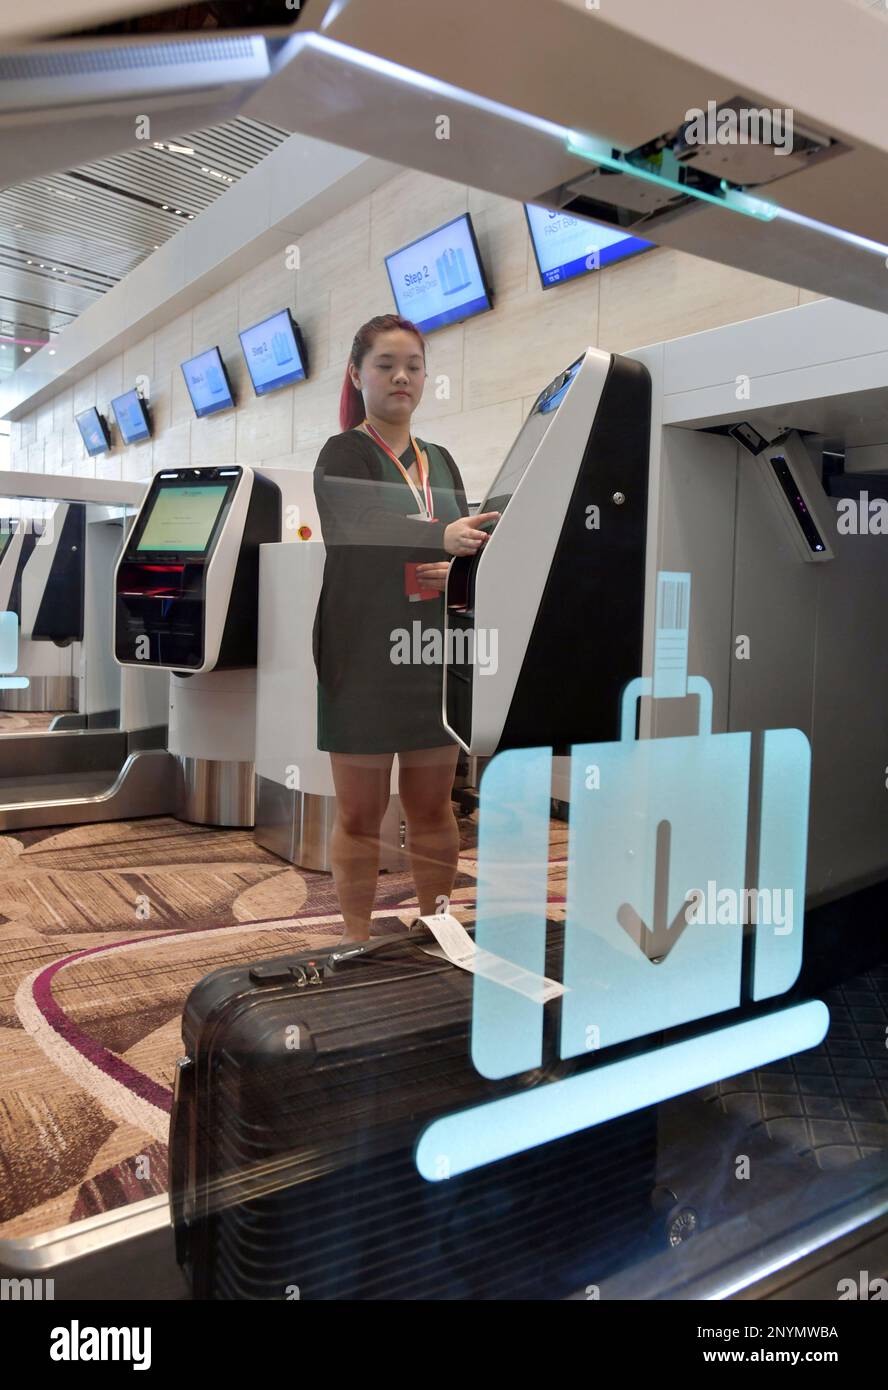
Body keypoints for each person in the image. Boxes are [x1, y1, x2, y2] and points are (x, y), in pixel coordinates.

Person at [312, 313, 499, 945]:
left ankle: (440, 926)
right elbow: (358, 524)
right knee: (361, 815)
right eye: (386, 365)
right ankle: (355, 939)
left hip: (429, 651)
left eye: (413, 366)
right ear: (357, 375)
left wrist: (458, 564)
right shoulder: (344, 452)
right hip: (363, 653)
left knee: (432, 807)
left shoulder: (440, 461)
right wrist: (437, 536)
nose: (401, 377)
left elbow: (458, 548)